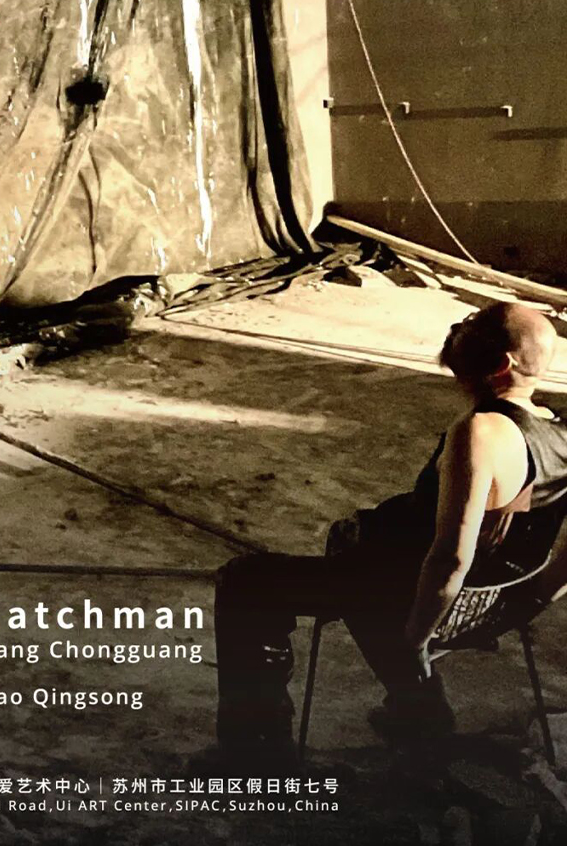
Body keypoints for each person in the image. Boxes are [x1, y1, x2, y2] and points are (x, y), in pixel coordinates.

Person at [205, 300, 567, 766]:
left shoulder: (481, 433)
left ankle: (254, 754)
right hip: (489, 600)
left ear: (500, 365)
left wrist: (414, 642)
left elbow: (450, 561)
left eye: (474, 324)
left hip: (414, 597)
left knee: (246, 582)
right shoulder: (559, 434)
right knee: (349, 539)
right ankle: (417, 715)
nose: (457, 325)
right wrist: (526, 601)